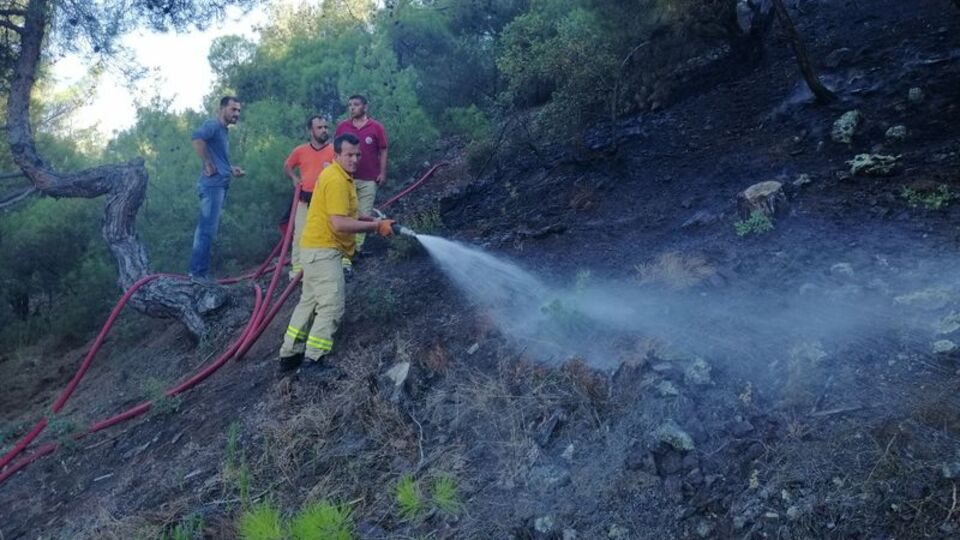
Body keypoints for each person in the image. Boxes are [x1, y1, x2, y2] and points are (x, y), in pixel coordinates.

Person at [278, 133, 395, 372]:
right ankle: (314, 361)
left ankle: (290, 355)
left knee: (308, 303)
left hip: (313, 250)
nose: (354, 159)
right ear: (337, 155)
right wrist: (375, 227)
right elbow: (340, 224)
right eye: (349, 155)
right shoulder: (336, 180)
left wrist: (371, 219)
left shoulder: (339, 176)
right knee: (331, 305)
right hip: (323, 251)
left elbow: (345, 215)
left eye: (357, 155)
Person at [188, 96, 245, 281]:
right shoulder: (212, 125)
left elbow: (218, 157)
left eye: (238, 110)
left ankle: (200, 273)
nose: (236, 113)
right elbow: (197, 138)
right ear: (222, 109)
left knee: (208, 230)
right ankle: (197, 275)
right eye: (233, 109)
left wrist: (230, 169)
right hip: (212, 186)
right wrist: (208, 163)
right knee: (206, 230)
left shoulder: (223, 131)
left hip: (220, 184)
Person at [334, 94, 388, 257]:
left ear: (365, 107)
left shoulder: (376, 127)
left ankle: (355, 251)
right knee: (346, 214)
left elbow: (383, 149)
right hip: (346, 178)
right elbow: (336, 151)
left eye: (356, 104)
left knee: (364, 213)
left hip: (368, 179)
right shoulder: (342, 127)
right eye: (350, 105)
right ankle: (342, 251)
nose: (352, 108)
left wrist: (382, 172)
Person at [283, 115, 334, 278]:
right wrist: (294, 178)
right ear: (310, 131)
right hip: (304, 199)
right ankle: (297, 269)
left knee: (328, 233)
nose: (324, 130)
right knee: (300, 234)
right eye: (319, 127)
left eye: (325, 127)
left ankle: (326, 266)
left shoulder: (334, 150)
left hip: (326, 200)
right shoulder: (300, 150)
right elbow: (287, 165)